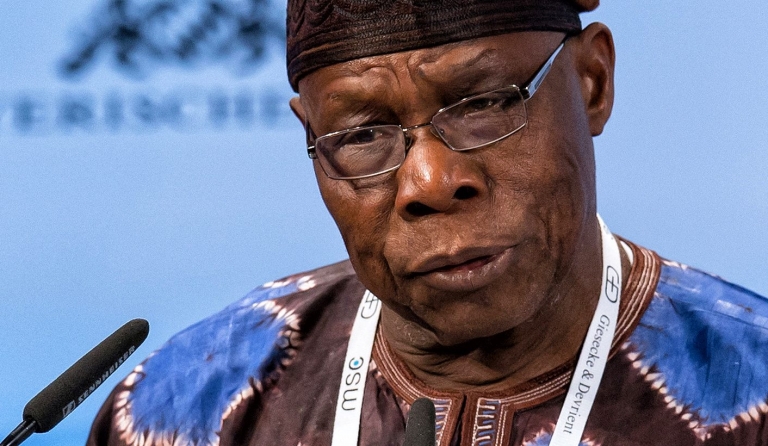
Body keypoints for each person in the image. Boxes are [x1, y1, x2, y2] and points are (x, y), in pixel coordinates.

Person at [87, 1, 768, 445]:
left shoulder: (753, 394)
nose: (430, 183)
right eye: (362, 134)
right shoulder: (188, 412)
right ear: (310, 139)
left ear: (592, 82)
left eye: (484, 103)